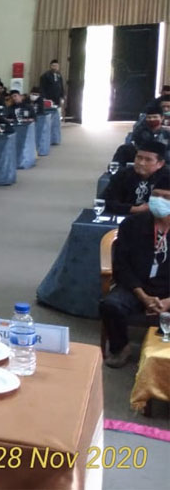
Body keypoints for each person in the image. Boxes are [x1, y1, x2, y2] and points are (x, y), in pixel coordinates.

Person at [100, 188, 170, 368]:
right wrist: (142, 296)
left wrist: (168, 301)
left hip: (167, 289)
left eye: (166, 197)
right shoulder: (132, 224)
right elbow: (121, 266)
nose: (159, 200)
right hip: (136, 286)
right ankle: (120, 348)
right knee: (111, 305)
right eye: (156, 195)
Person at [102, 141, 169, 215]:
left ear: (160, 164)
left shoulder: (167, 178)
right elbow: (106, 202)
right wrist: (134, 209)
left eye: (148, 160)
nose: (141, 163)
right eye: (139, 157)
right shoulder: (123, 175)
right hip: (125, 216)